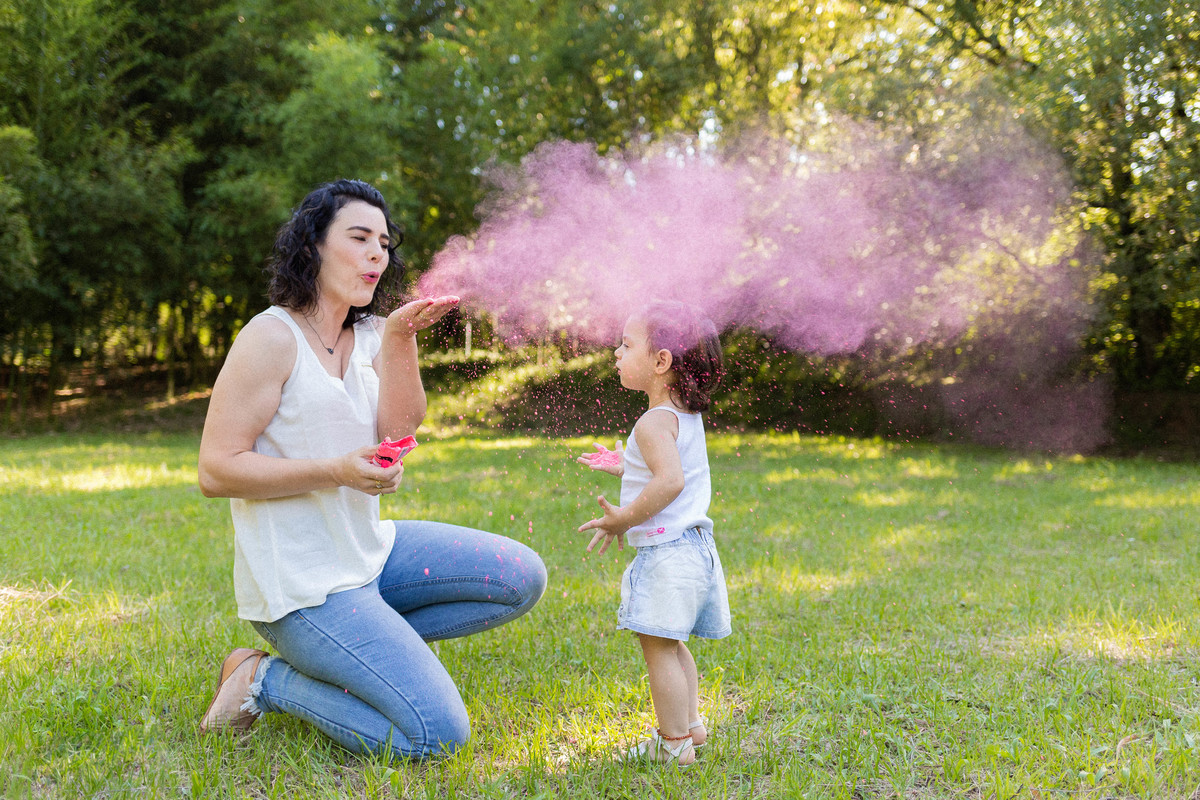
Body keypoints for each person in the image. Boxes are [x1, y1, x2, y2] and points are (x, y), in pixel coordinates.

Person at [196, 179, 547, 759]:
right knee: (436, 736)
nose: (376, 255)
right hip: (303, 589)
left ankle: (369, 647)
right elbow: (216, 471)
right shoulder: (270, 337)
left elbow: (397, 437)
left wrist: (403, 337)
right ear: (312, 246)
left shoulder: (375, 334)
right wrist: (335, 469)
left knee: (519, 577)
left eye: (384, 244)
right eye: (359, 238)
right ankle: (263, 679)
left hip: (370, 554)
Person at [576, 300, 731, 767]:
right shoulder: (682, 415)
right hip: (698, 549)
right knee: (671, 640)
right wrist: (626, 465)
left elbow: (670, 481)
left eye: (626, 345)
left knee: (657, 646)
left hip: (667, 553)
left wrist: (622, 518)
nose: (616, 353)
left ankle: (673, 744)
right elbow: (667, 467)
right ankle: (692, 727)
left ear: (661, 361)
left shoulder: (650, 421)